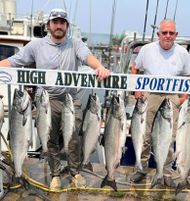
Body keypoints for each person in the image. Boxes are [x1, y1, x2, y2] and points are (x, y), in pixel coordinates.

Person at [0, 8, 110, 190]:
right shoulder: (36, 45)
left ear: (66, 26)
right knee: (50, 138)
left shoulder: (75, 44)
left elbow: (87, 57)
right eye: (55, 22)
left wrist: (99, 67)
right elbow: (15, 61)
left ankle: (75, 172)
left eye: (62, 22)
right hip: (46, 99)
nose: (59, 26)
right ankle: (55, 174)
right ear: (49, 25)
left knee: (74, 136)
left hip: (69, 98)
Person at [130, 19, 190, 184]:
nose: (167, 36)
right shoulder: (147, 49)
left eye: (171, 33)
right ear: (158, 34)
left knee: (169, 137)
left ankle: (165, 172)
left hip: (171, 96)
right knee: (143, 134)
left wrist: (184, 97)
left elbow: (189, 77)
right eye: (164, 32)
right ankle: (141, 168)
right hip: (149, 95)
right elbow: (135, 68)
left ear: (176, 35)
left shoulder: (182, 53)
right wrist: (136, 89)